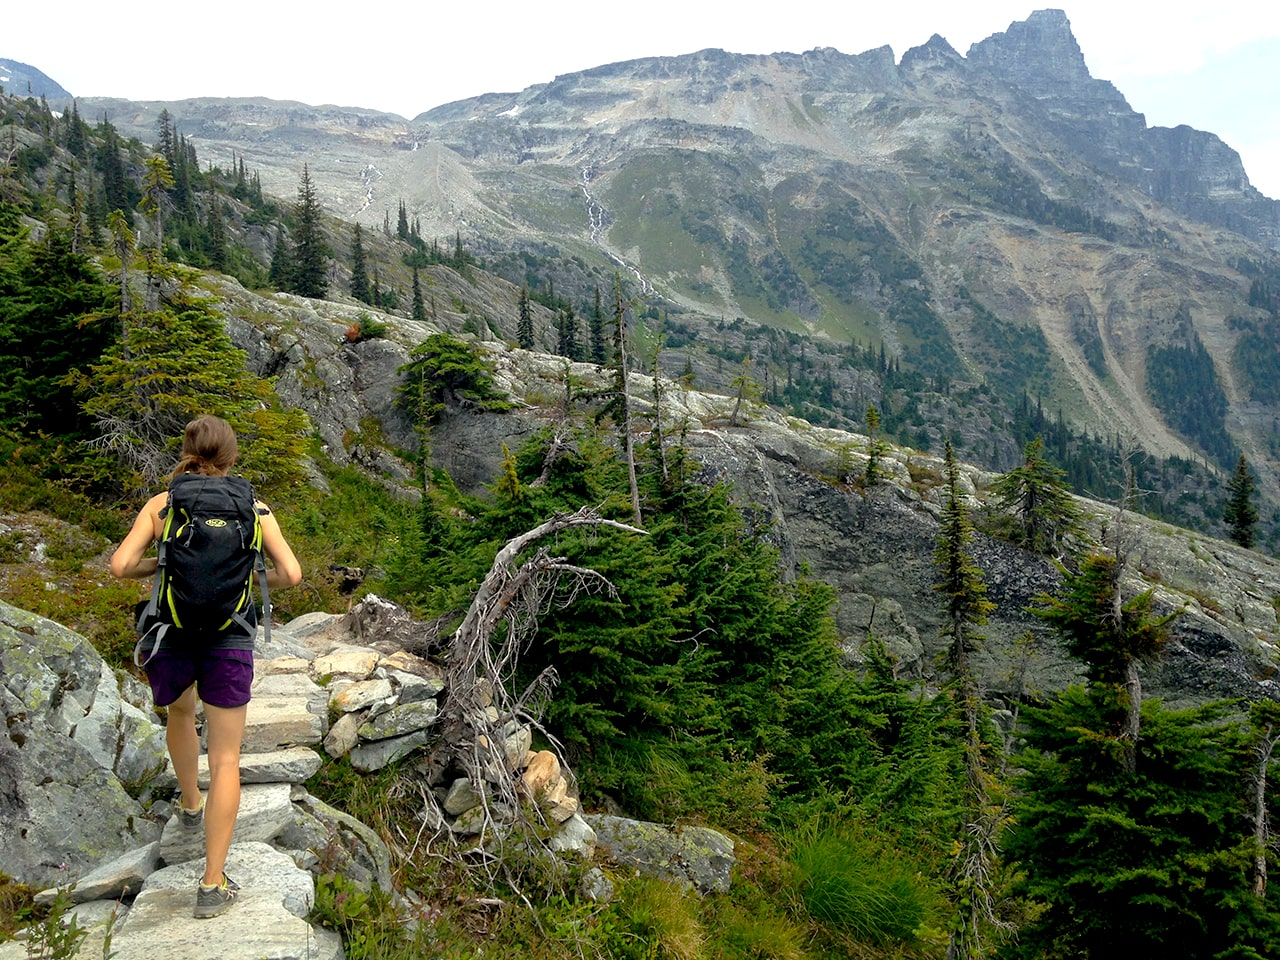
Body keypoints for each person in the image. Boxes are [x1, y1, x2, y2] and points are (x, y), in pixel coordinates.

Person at [110, 415, 302, 918]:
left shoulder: (163, 505)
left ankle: (190, 805)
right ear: (232, 456)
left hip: (170, 635)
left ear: (189, 451)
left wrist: (164, 566)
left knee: (178, 713)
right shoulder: (255, 509)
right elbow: (292, 573)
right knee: (226, 760)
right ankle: (212, 884)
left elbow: (121, 566)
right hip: (229, 638)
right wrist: (246, 584)